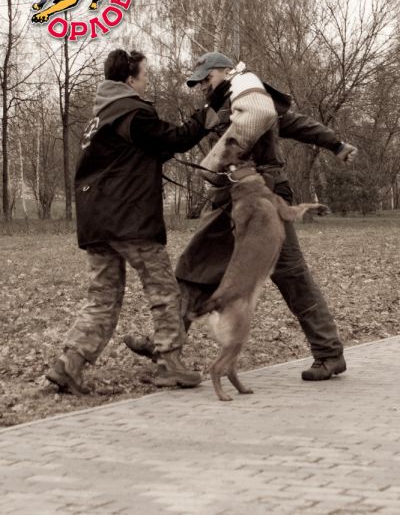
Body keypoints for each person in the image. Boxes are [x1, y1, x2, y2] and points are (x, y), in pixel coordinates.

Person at [125, 52, 358, 382]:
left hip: (264, 195)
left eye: (207, 78)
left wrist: (336, 145)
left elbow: (298, 123)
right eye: (199, 82)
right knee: (193, 268)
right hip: (228, 198)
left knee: (290, 273)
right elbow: (182, 137)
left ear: (225, 70)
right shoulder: (212, 109)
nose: (203, 85)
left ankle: (329, 352)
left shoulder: (253, 101)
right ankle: (166, 346)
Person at [46, 48, 230, 395]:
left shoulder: (100, 118)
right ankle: (169, 364)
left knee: (102, 297)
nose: (147, 82)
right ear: (130, 79)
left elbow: (142, 153)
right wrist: (209, 108)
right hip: (130, 220)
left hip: (96, 223)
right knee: (164, 291)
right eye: (145, 76)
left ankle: (69, 364)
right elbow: (176, 139)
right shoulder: (133, 111)